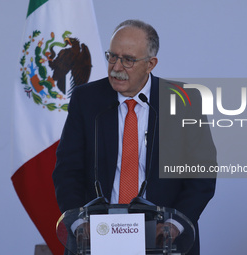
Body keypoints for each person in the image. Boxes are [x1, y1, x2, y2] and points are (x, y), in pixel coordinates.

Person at [53, 19, 217, 255]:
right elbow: (67, 170)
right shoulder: (86, 100)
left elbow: (201, 174)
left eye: (128, 60)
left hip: (163, 239)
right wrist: (80, 224)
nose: (116, 67)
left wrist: (173, 225)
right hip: (96, 236)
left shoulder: (184, 101)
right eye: (112, 56)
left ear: (151, 64)